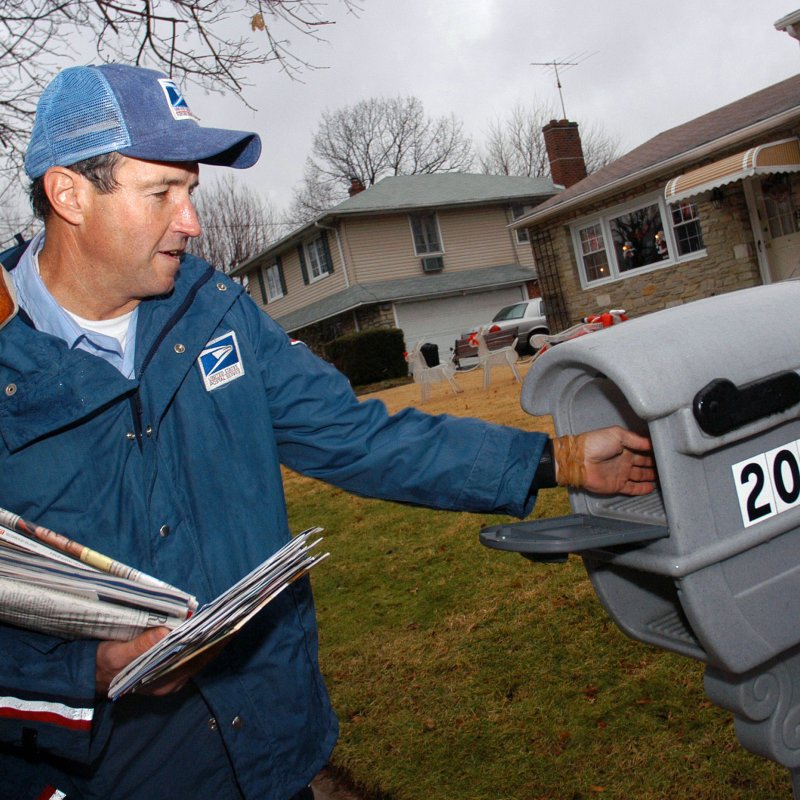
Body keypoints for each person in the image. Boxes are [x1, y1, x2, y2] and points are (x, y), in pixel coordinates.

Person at [0, 64, 656, 800]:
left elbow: (357, 437)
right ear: (69, 195)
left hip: (274, 753)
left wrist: (556, 458)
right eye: (162, 193)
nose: (192, 221)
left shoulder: (214, 312)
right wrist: (83, 670)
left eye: (191, 191)